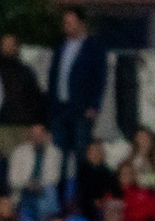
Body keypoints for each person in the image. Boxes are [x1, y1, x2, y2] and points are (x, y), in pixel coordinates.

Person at [46, 8, 109, 194]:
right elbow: (53, 78)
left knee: (81, 155)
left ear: (81, 24)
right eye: (65, 23)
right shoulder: (60, 48)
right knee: (59, 157)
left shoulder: (93, 48)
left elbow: (100, 78)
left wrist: (94, 105)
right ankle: (60, 196)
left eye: (71, 22)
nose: (67, 27)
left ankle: (81, 196)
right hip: (60, 109)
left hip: (81, 109)